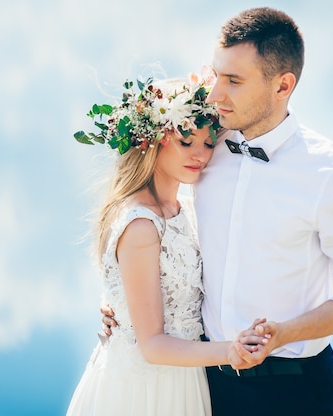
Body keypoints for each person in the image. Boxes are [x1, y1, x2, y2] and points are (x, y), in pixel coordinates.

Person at [102, 7, 333, 415]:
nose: (216, 94)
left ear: (282, 85)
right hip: (202, 384)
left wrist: (284, 333)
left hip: (296, 390)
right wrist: (126, 308)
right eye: (217, 74)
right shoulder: (203, 146)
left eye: (234, 81)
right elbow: (166, 222)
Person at [67, 74, 268, 416]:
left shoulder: (187, 208)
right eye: (186, 141)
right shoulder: (142, 225)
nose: (200, 155)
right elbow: (152, 345)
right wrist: (230, 351)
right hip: (145, 391)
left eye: (209, 143)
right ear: (154, 140)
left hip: (187, 379)